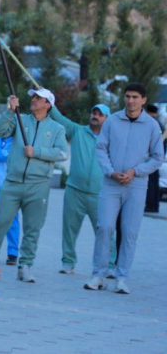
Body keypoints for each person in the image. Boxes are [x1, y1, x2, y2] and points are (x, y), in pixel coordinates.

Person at [0, 89, 68, 283]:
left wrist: (37, 152)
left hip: (38, 185)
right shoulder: (20, 119)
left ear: (48, 104)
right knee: (0, 221)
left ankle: (25, 266)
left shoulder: (57, 128)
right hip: (12, 182)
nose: (33, 100)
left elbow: (62, 153)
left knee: (32, 228)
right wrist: (10, 111)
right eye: (33, 97)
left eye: (38, 98)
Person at [85, 83, 164, 294]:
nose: (130, 101)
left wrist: (135, 171)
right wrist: (110, 171)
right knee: (104, 227)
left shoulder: (152, 126)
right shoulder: (112, 121)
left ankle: (122, 278)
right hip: (111, 183)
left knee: (129, 232)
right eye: (128, 96)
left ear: (144, 100)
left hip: (136, 186)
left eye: (135, 97)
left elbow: (158, 158)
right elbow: (101, 148)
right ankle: (98, 275)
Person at [48, 101, 112, 274]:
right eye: (94, 113)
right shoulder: (78, 131)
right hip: (74, 190)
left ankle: (111, 265)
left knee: (105, 231)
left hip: (99, 193)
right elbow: (59, 118)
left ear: (107, 119)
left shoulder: (111, 139)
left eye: (100, 114)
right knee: (69, 229)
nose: (95, 116)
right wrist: (49, 102)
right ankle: (68, 262)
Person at [0, 136, 20, 267]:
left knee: (12, 220)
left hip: (11, 188)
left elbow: (0, 156)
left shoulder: (15, 141)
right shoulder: (3, 140)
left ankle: (13, 253)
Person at [144, 104, 163, 213]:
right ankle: (155, 205)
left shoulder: (151, 123)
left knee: (150, 182)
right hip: (158, 157)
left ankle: (151, 205)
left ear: (146, 111)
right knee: (155, 182)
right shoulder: (160, 124)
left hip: (150, 157)